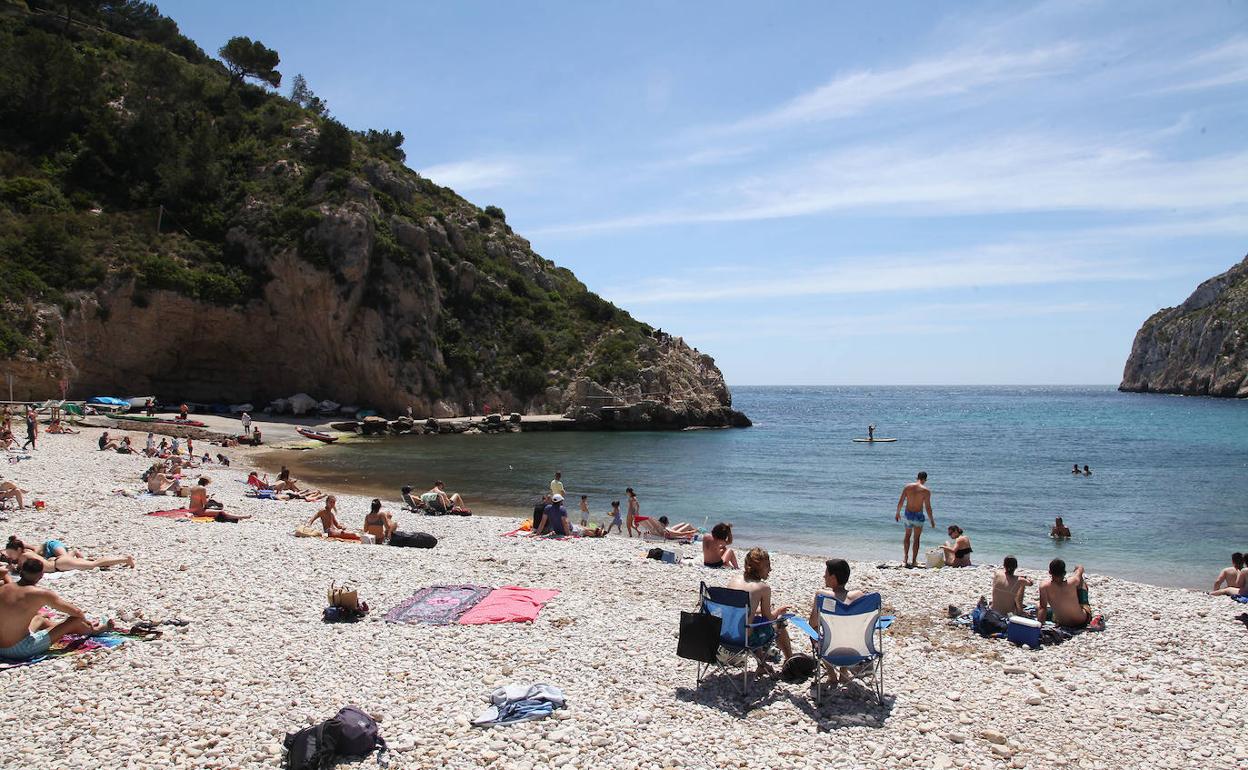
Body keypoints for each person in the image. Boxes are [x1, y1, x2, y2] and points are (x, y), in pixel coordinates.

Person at [0, 559, 113, 663]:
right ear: (41, 575)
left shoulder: (4, 588)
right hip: (20, 650)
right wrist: (85, 622)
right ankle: (94, 630)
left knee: (39, 618)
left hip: (1, 648)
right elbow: (76, 612)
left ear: (22, 571)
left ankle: (66, 629)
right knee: (74, 620)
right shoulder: (40, 594)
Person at [727, 548, 793, 669]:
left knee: (754, 621)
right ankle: (790, 661)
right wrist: (778, 611)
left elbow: (740, 610)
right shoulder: (763, 588)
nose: (770, 569)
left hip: (725, 635)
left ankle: (761, 665)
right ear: (759, 568)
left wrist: (756, 612)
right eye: (767, 566)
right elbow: (769, 617)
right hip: (745, 640)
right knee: (779, 622)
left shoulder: (734, 580)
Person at [808, 558, 865, 684]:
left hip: (830, 651)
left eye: (826, 573)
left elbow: (813, 623)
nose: (824, 576)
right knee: (847, 631)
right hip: (857, 650)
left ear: (833, 577)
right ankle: (843, 672)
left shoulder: (822, 595)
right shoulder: (859, 596)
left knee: (812, 630)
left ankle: (831, 673)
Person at [4, 536, 134, 573]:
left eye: (10, 553)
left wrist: (11, 569)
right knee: (91, 564)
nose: (9, 556)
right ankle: (75, 553)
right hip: (58, 562)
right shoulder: (26, 553)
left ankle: (125, 559)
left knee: (93, 564)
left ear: (19, 550)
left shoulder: (24, 557)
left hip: (59, 564)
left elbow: (20, 572)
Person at [895, 471, 935, 568]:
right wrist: (931, 520)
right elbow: (928, 507)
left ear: (916, 477)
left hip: (908, 514)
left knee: (907, 536)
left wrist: (897, 513)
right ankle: (913, 561)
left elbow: (901, 501)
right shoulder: (926, 491)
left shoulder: (907, 487)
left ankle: (905, 558)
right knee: (916, 539)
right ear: (925, 479)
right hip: (918, 516)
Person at [1037, 559, 1091, 627]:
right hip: (1081, 620)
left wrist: (1039, 627)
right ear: (1064, 572)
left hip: (1063, 623)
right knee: (1082, 582)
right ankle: (1083, 605)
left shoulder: (1044, 586)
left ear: (1050, 572)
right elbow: (1080, 571)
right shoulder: (1073, 581)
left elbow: (1042, 608)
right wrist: (1078, 567)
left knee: (1040, 607)